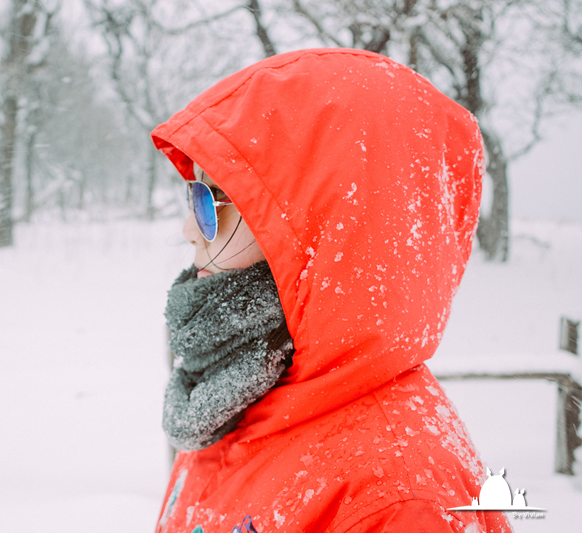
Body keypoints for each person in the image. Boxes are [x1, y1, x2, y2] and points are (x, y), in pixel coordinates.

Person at [151, 49, 513, 533]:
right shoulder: (235, 394)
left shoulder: (399, 497)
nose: (190, 230)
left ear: (323, 233)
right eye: (192, 196)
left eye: (212, 201)